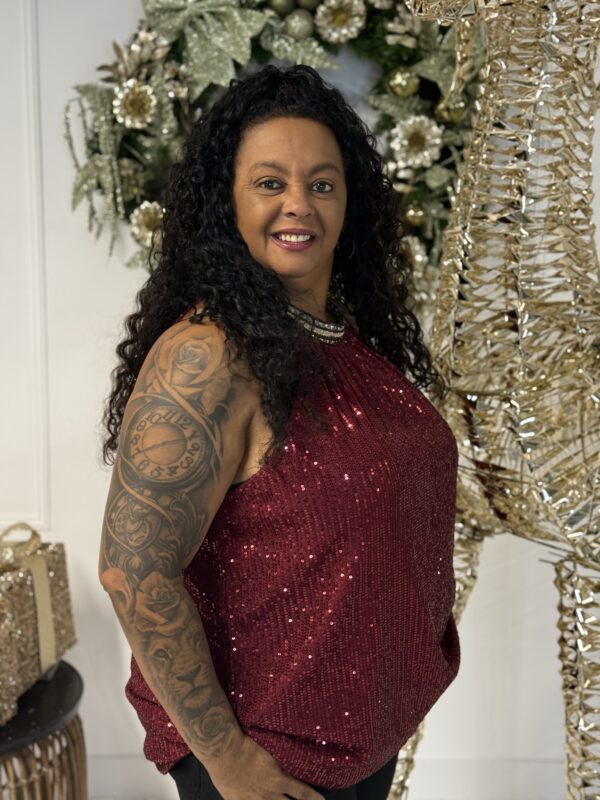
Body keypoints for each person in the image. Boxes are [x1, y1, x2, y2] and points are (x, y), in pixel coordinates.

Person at [98, 64, 461, 800]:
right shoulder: (207, 356)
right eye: (270, 182)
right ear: (226, 201)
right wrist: (228, 759)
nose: (299, 203)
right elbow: (133, 571)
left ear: (350, 202)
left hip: (360, 744)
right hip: (265, 764)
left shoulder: (342, 344)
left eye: (322, 183)